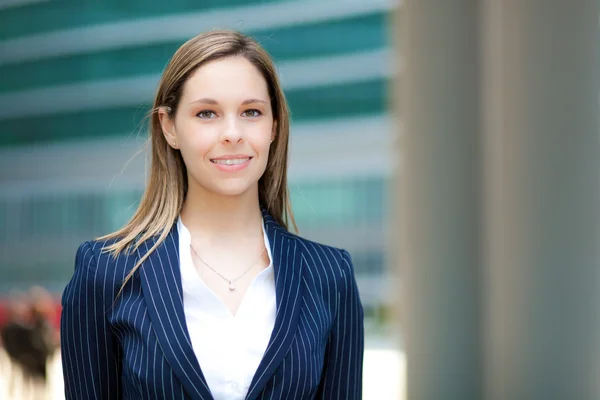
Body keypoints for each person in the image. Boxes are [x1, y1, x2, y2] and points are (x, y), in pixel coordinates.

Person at [60, 29, 364, 400]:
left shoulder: (330, 275)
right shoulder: (106, 273)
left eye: (251, 112)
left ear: (274, 126)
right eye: (207, 113)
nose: (232, 133)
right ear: (169, 127)